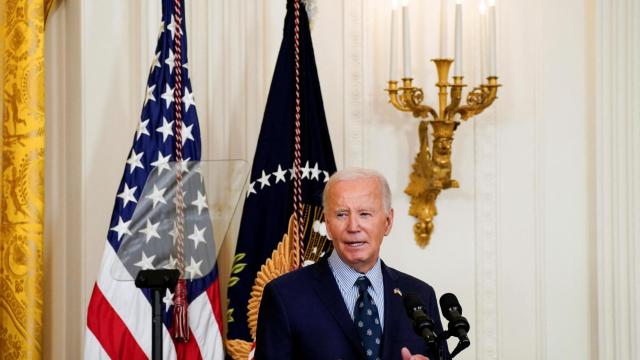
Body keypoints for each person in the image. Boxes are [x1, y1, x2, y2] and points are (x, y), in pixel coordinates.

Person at [254, 168, 451, 360]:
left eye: (364, 214)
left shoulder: (421, 296)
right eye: (341, 214)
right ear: (328, 225)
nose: (353, 227)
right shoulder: (285, 296)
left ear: (388, 222)